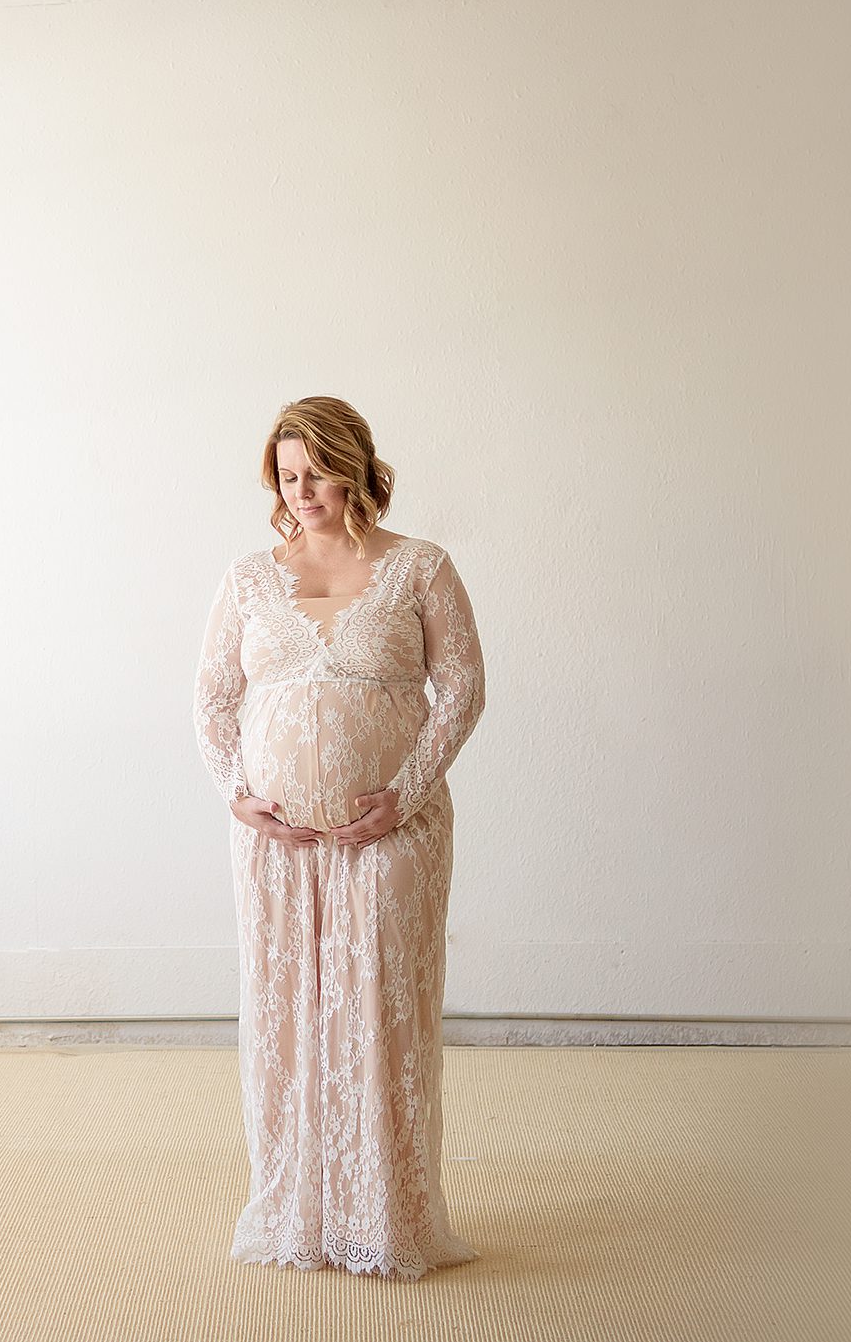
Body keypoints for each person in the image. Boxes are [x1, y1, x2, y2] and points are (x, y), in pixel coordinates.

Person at [192, 396, 487, 1280]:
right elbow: (210, 698)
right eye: (288, 474)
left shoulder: (420, 567)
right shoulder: (249, 578)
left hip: (391, 835)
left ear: (355, 464)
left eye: (317, 469)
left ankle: (385, 1217)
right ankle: (297, 1210)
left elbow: (463, 688)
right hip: (276, 845)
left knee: (379, 1023)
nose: (303, 487)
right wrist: (235, 791)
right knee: (287, 1025)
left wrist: (404, 794)